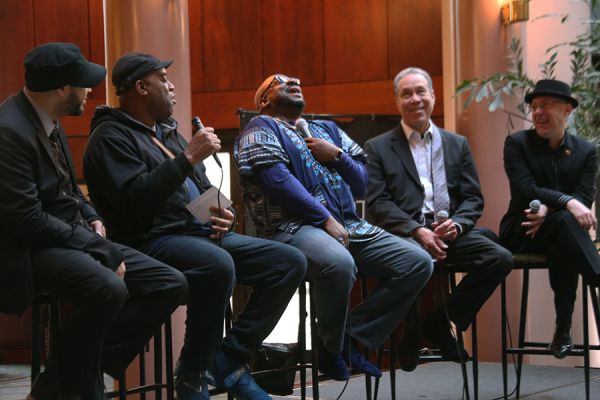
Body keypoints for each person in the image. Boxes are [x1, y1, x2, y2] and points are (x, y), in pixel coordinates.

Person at [83, 53, 306, 400]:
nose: (172, 86)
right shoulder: (110, 138)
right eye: (163, 78)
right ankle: (192, 372)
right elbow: (133, 203)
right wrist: (188, 158)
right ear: (141, 87)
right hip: (148, 241)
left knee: (289, 262)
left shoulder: (168, 133)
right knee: (216, 265)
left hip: (195, 234)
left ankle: (228, 357)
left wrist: (223, 213)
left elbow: (201, 188)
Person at [0, 43, 188, 400]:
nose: (90, 90)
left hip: (68, 237)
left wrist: (92, 217)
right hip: (28, 249)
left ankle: (71, 376)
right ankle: (79, 382)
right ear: (60, 89)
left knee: (170, 283)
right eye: (83, 83)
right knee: (108, 287)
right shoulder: (9, 131)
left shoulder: (48, 119)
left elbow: (68, 190)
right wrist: (95, 245)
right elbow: (26, 220)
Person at [234, 74, 433, 381]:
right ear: (264, 100)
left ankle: (349, 338)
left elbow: (365, 181)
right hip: (291, 228)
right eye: (281, 81)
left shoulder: (326, 130)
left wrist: (337, 155)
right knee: (339, 263)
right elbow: (278, 182)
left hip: (350, 225)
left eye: (296, 79)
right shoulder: (259, 129)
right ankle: (330, 347)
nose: (295, 79)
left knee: (417, 262)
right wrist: (324, 219)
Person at [365, 67, 512, 371]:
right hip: (407, 236)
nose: (415, 99)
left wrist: (457, 225)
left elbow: (473, 198)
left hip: (450, 233)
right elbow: (377, 203)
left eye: (421, 91)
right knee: (413, 262)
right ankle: (413, 331)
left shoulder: (456, 143)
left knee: (499, 258)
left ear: (432, 96)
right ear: (397, 101)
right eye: (407, 94)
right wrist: (417, 230)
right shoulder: (378, 147)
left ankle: (440, 322)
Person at [500, 79, 600, 359]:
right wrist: (565, 202)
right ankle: (597, 276)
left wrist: (552, 208)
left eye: (546, 105)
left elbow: (584, 196)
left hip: (560, 234)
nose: (538, 112)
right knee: (567, 223)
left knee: (563, 239)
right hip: (522, 231)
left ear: (567, 110)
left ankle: (562, 331)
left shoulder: (586, 151)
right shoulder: (517, 143)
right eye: (534, 107)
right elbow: (524, 190)